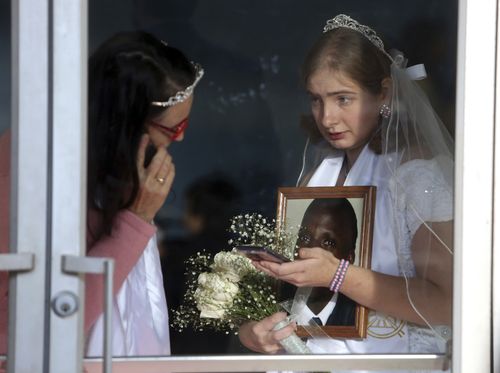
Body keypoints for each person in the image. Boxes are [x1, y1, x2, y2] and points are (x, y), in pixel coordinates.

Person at [238, 14, 454, 369]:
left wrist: (339, 275)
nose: (327, 118)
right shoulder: (322, 171)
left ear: (383, 92)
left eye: (343, 99)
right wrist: (254, 331)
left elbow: (446, 302)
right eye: (316, 100)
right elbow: (295, 298)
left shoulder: (417, 175)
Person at [0, 30, 204, 357]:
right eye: (174, 129)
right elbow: (31, 326)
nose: (179, 140)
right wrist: (135, 221)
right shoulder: (33, 173)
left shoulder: (111, 168)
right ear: (126, 123)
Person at [288, 198, 357, 327]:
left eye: (328, 243)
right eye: (305, 238)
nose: (309, 252)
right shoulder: (273, 305)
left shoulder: (358, 318)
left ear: (349, 259)